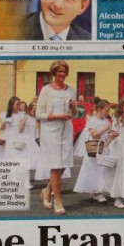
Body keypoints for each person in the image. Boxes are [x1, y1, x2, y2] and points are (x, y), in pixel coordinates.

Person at [36, 60, 77, 215]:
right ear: (53, 72)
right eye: (59, 71)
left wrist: (74, 108)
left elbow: (75, 114)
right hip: (51, 130)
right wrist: (57, 116)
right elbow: (39, 113)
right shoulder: (46, 90)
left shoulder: (70, 90)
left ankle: (47, 191)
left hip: (66, 129)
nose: (62, 74)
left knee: (64, 163)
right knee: (55, 165)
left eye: (64, 71)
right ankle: (57, 201)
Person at [73, 97, 112, 203]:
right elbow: (94, 135)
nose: (108, 113)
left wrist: (111, 137)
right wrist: (105, 128)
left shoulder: (106, 120)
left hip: (103, 148)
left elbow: (107, 135)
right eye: (106, 110)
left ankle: (97, 191)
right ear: (100, 109)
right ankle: (95, 191)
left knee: (102, 170)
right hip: (94, 149)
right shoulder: (93, 121)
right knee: (93, 170)